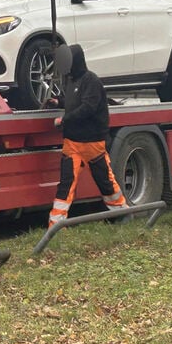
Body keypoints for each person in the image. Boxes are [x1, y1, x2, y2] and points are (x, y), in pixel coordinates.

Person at [48, 44, 128, 228]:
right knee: (66, 184)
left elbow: (87, 108)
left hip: (92, 143)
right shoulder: (71, 80)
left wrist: (64, 120)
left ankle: (121, 213)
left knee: (105, 181)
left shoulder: (91, 81)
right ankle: (55, 225)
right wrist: (58, 102)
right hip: (72, 143)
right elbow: (73, 101)